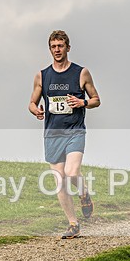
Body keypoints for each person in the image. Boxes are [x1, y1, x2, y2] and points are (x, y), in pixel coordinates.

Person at [29, 30, 101, 239]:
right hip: (52, 134)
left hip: (74, 131)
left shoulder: (81, 73)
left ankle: (83, 193)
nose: (57, 50)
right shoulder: (42, 76)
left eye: (60, 46)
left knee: (71, 172)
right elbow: (32, 103)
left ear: (68, 48)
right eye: (53, 47)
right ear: (50, 49)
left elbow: (96, 99)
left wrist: (83, 102)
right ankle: (73, 223)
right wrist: (36, 110)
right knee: (60, 180)